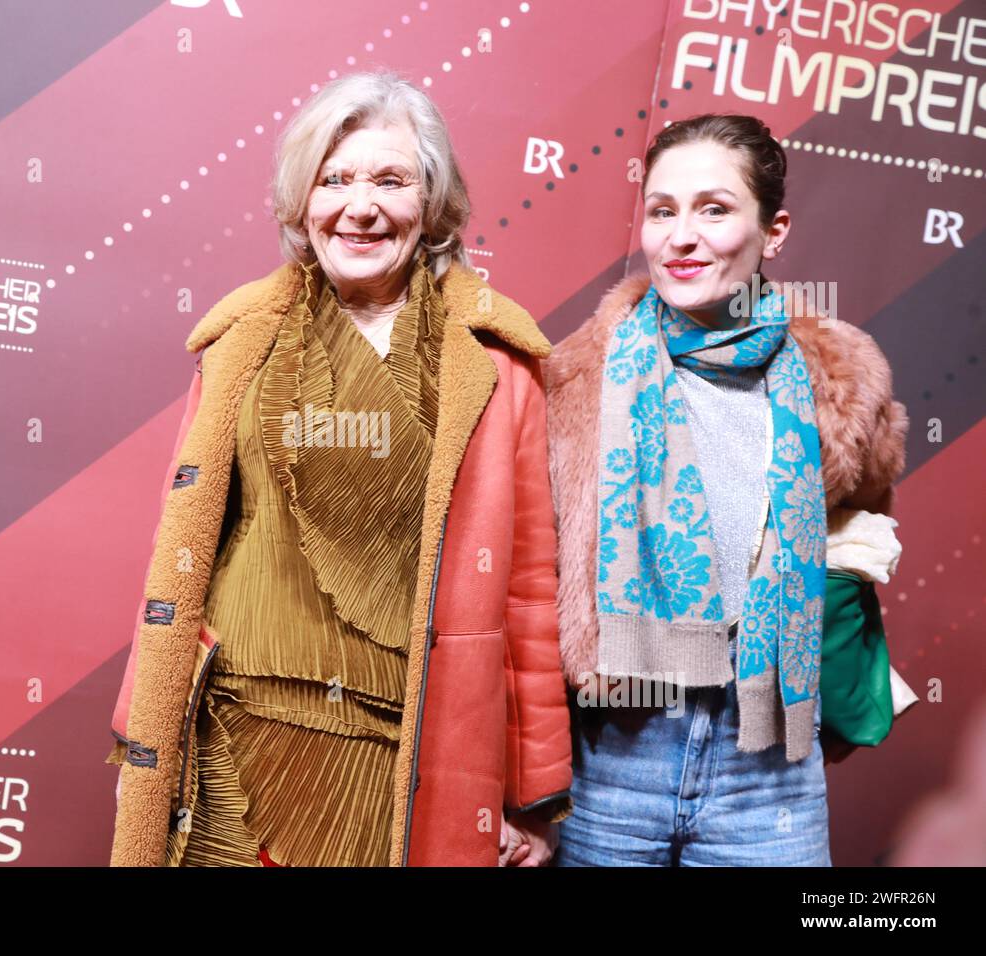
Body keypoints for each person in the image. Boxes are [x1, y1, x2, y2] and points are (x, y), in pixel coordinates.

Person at [108, 71, 572, 867]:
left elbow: (527, 592)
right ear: (303, 201)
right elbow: (180, 558)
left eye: (390, 180)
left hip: (395, 759)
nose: (359, 207)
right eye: (334, 179)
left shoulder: (496, 369)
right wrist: (141, 740)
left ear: (430, 204)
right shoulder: (239, 345)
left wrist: (530, 797)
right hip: (231, 738)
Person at [543, 113, 908, 866]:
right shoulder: (576, 377)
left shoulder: (840, 379)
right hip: (615, 748)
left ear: (773, 232)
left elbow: (860, 531)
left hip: (769, 756)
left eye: (713, 209)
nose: (681, 236)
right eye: (662, 210)